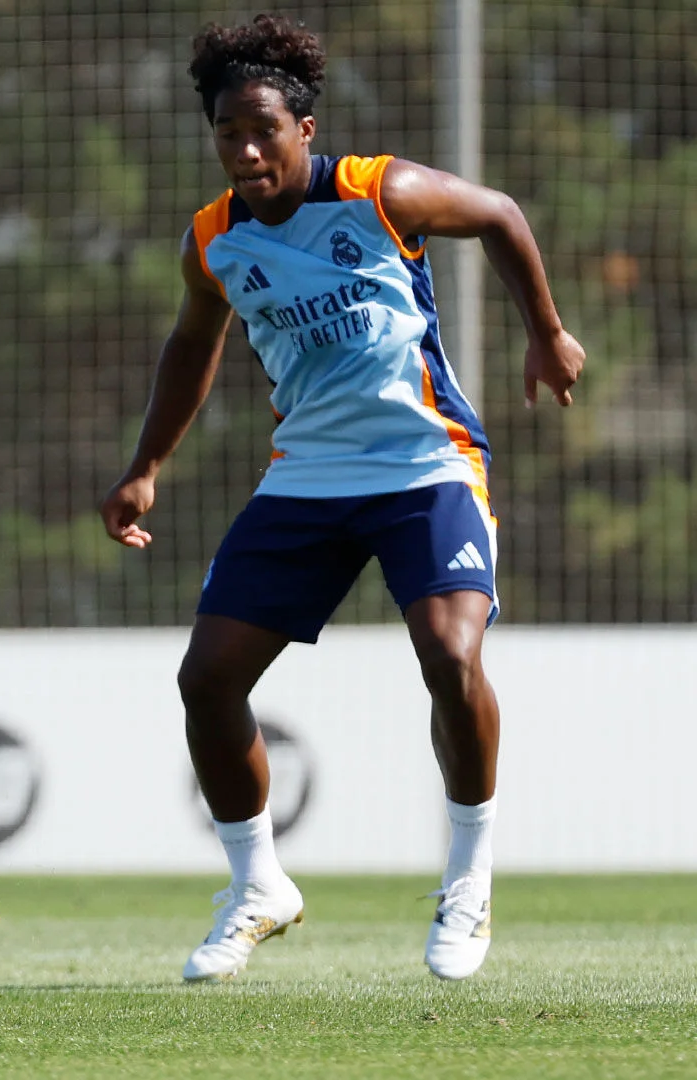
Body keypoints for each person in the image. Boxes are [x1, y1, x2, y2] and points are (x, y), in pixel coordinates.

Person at [98, 15, 582, 984]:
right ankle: (259, 887)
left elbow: (499, 212)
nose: (244, 149)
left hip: (426, 466)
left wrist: (547, 331)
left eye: (262, 129)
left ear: (304, 130)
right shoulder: (214, 243)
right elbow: (193, 346)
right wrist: (146, 463)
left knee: (450, 654)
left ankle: (469, 875)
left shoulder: (377, 193)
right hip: (310, 478)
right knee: (207, 680)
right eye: (227, 132)